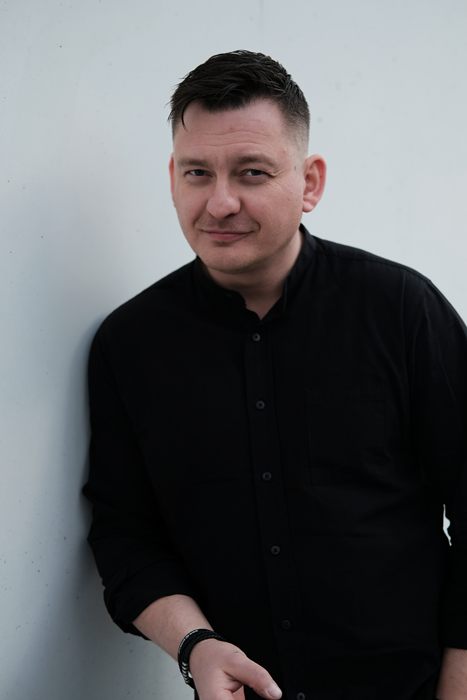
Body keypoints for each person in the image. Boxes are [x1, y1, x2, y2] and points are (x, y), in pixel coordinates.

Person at [83, 50, 467, 700]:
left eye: (252, 173)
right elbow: (125, 537)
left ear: (309, 182)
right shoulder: (129, 344)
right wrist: (196, 647)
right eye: (197, 172)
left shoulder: (402, 310)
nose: (219, 202)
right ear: (172, 178)